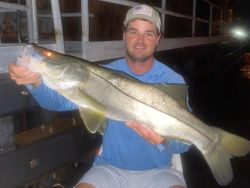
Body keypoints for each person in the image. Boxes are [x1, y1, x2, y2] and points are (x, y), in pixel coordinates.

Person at [9, 4, 191, 188]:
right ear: (124, 35)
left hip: (159, 172)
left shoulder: (172, 80)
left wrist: (164, 140)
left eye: (149, 34)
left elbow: (185, 144)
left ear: (158, 38)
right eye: (133, 31)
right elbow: (57, 101)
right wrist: (34, 82)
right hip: (109, 169)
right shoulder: (103, 73)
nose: (140, 40)